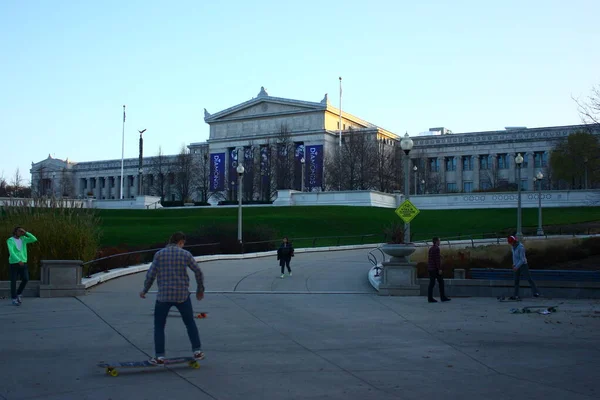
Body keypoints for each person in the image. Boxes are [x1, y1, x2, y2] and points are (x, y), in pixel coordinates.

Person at [139, 231, 205, 364]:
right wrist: (200, 289)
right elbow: (198, 271)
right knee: (189, 323)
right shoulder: (185, 254)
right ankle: (197, 351)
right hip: (182, 296)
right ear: (180, 242)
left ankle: (159, 356)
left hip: (163, 296)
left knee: (159, 326)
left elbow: (151, 274)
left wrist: (144, 290)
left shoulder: (159, 254)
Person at [6, 227, 38, 306]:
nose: (21, 232)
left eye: (22, 231)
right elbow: (11, 252)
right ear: (15, 232)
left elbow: (34, 239)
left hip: (23, 262)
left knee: (26, 278)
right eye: (19, 231)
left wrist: (26, 233)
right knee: (13, 281)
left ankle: (18, 293)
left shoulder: (24, 239)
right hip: (14, 263)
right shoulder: (10, 240)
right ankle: (14, 299)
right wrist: (18, 260)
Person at [507, 235, 540, 300]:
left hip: (523, 265)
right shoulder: (513, 247)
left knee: (529, 278)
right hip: (516, 265)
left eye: (510, 243)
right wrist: (514, 264)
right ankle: (516, 295)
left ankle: (536, 292)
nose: (510, 244)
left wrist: (516, 267)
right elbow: (514, 257)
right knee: (516, 281)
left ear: (513, 241)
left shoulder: (520, 247)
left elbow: (522, 259)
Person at [427, 237, 450, 303]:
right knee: (441, 282)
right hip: (435, 269)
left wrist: (439, 256)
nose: (440, 242)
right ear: (436, 241)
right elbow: (437, 260)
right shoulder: (437, 248)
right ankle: (442, 297)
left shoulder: (431, 248)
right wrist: (439, 269)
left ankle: (430, 298)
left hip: (430, 268)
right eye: (439, 241)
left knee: (432, 283)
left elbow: (432, 257)